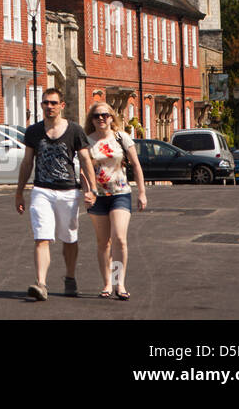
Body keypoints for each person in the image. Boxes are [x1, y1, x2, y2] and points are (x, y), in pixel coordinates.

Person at [15, 88, 98, 301]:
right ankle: (41, 283)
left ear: (62, 105)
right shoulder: (33, 132)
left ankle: (70, 277)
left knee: (69, 238)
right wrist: (19, 193)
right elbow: (27, 163)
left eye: (53, 103)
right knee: (41, 237)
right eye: (45, 103)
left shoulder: (75, 131)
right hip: (41, 190)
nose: (49, 107)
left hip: (69, 191)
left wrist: (92, 190)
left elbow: (86, 160)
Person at [84, 102, 146, 300]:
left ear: (111, 117)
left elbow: (136, 165)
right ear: (91, 119)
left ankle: (120, 283)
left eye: (105, 115)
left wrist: (142, 193)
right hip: (98, 196)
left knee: (119, 238)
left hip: (120, 193)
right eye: (96, 116)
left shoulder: (122, 137)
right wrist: (87, 191)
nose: (101, 118)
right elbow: (83, 171)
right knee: (104, 242)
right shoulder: (86, 141)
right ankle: (107, 283)